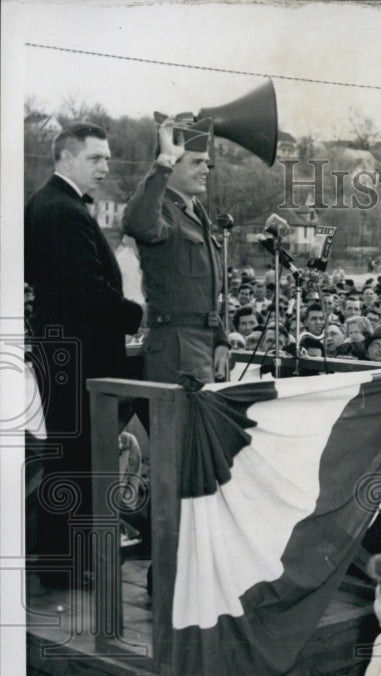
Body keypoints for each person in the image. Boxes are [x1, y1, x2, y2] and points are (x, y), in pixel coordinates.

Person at [25, 122, 144, 573]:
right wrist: (135, 315)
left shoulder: (52, 203)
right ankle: (67, 564)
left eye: (109, 158)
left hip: (65, 354)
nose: (106, 166)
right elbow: (86, 290)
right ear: (66, 157)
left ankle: (67, 561)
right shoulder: (63, 210)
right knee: (75, 459)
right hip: (75, 358)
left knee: (70, 458)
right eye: (96, 158)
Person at [123, 118, 229, 386]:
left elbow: (204, 295)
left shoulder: (196, 214)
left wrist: (220, 339)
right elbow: (139, 224)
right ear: (172, 167)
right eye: (196, 162)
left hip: (203, 346)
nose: (206, 169)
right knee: (183, 429)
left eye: (207, 162)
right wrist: (163, 163)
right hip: (176, 349)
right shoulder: (164, 210)